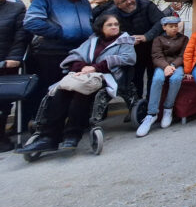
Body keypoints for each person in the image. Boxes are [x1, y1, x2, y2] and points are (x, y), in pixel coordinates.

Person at [16, 14, 136, 154]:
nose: (114, 27)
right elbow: (75, 55)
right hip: (85, 76)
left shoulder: (125, 41)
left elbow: (127, 58)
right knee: (62, 91)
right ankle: (48, 137)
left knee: (82, 92)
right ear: (101, 28)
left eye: (116, 24)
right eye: (110, 25)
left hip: (108, 76)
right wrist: (83, 67)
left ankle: (72, 135)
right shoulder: (93, 40)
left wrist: (95, 67)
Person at [23, 0, 93, 126]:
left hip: (78, 53)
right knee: (52, 91)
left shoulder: (83, 1)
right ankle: (46, 127)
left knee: (73, 90)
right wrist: (61, 32)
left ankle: (68, 126)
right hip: (52, 53)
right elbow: (31, 22)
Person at [136, 16, 189, 137]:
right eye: (171, 26)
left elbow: (183, 55)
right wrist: (166, 66)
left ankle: (168, 108)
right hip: (162, 65)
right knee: (157, 79)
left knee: (176, 79)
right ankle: (152, 114)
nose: (174, 29)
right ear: (164, 27)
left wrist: (173, 65)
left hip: (177, 65)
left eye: (176, 26)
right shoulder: (158, 39)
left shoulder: (184, 39)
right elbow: (156, 55)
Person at [106, 0, 165, 99]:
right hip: (132, 51)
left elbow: (160, 22)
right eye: (124, 1)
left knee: (154, 78)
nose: (129, 2)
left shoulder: (147, 5)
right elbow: (108, 30)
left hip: (153, 48)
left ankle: (151, 104)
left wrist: (147, 36)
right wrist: (127, 39)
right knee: (135, 79)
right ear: (118, 5)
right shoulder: (112, 13)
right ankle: (136, 107)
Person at [0, 0, 30, 152]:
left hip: (5, 60)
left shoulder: (16, 9)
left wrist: (14, 57)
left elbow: (21, 36)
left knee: (2, 101)